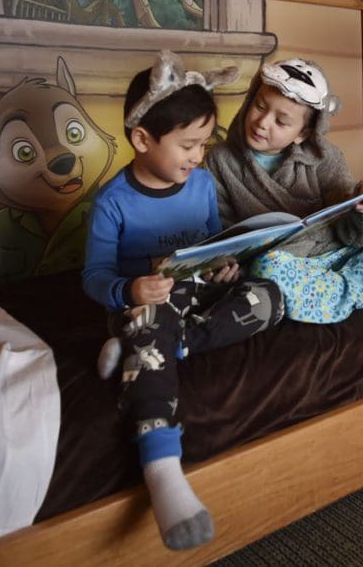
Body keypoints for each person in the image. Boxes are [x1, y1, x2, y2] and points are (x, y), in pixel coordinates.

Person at [82, 49, 283, 551]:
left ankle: (149, 346)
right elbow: (93, 277)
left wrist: (224, 265)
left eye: (204, 144)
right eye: (187, 145)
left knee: (270, 296)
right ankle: (162, 467)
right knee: (150, 316)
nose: (197, 156)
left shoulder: (202, 184)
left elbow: (212, 244)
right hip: (147, 300)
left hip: (196, 294)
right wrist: (130, 289)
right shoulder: (112, 203)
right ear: (142, 140)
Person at [203, 57, 363, 324]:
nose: (263, 122)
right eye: (259, 106)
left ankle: (332, 288)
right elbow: (224, 233)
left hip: (342, 251)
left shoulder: (325, 156)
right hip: (291, 265)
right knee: (268, 270)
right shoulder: (220, 161)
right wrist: (227, 264)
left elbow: (355, 230)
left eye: (282, 121)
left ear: (303, 133)